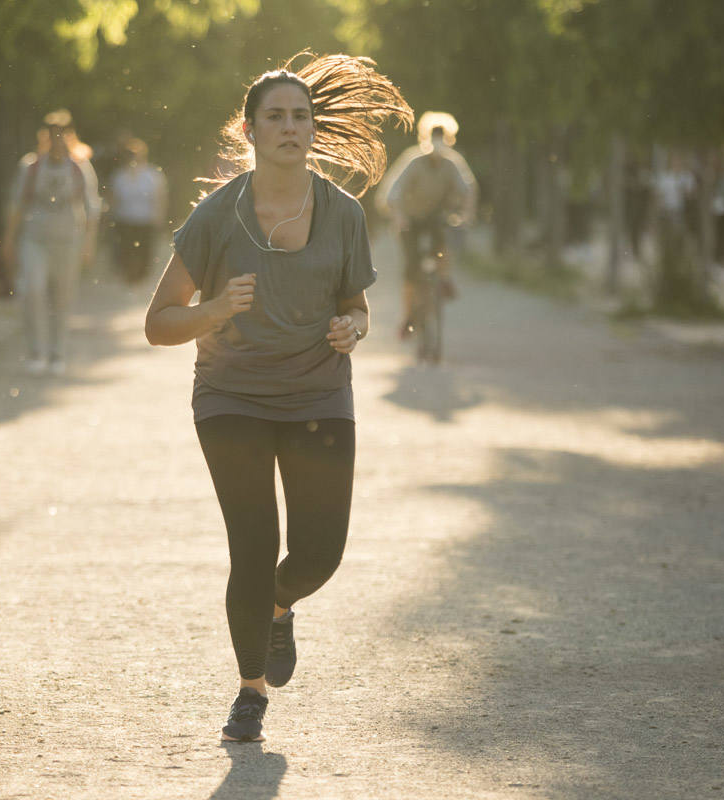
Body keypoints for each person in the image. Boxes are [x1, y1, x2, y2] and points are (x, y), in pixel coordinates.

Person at [143, 53, 412, 743]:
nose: (290, 127)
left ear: (312, 129)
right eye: (276, 117)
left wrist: (353, 327)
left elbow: (358, 308)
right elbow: (158, 323)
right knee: (253, 547)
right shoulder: (216, 215)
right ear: (250, 129)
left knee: (320, 553)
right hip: (230, 397)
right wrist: (215, 310)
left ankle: (279, 607)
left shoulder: (343, 213)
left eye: (301, 116)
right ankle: (249, 692)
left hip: (319, 393)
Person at [3, 109, 100, 376]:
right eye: (52, 135)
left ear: (69, 137)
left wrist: (89, 244)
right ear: (45, 137)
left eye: (62, 135)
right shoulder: (31, 166)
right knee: (33, 291)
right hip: (35, 239)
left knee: (62, 297)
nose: (57, 140)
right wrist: (9, 239)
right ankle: (36, 351)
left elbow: (92, 208)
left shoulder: (80, 168)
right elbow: (17, 204)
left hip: (68, 241)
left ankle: (57, 352)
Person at [381, 111, 477, 343]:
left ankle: (443, 277)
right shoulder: (413, 161)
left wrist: (466, 215)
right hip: (410, 219)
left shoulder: (452, 163)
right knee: (410, 268)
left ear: (449, 138)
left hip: (435, 218)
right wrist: (399, 217)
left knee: (444, 239)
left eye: (442, 136)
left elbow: (468, 189)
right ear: (424, 138)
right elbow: (393, 193)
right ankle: (407, 317)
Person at [109, 138, 168, 285]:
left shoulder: (153, 175)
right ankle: (127, 278)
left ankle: (141, 279)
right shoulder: (119, 176)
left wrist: (159, 218)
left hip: (145, 220)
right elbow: (113, 199)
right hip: (125, 219)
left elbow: (160, 198)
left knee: (144, 252)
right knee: (125, 251)